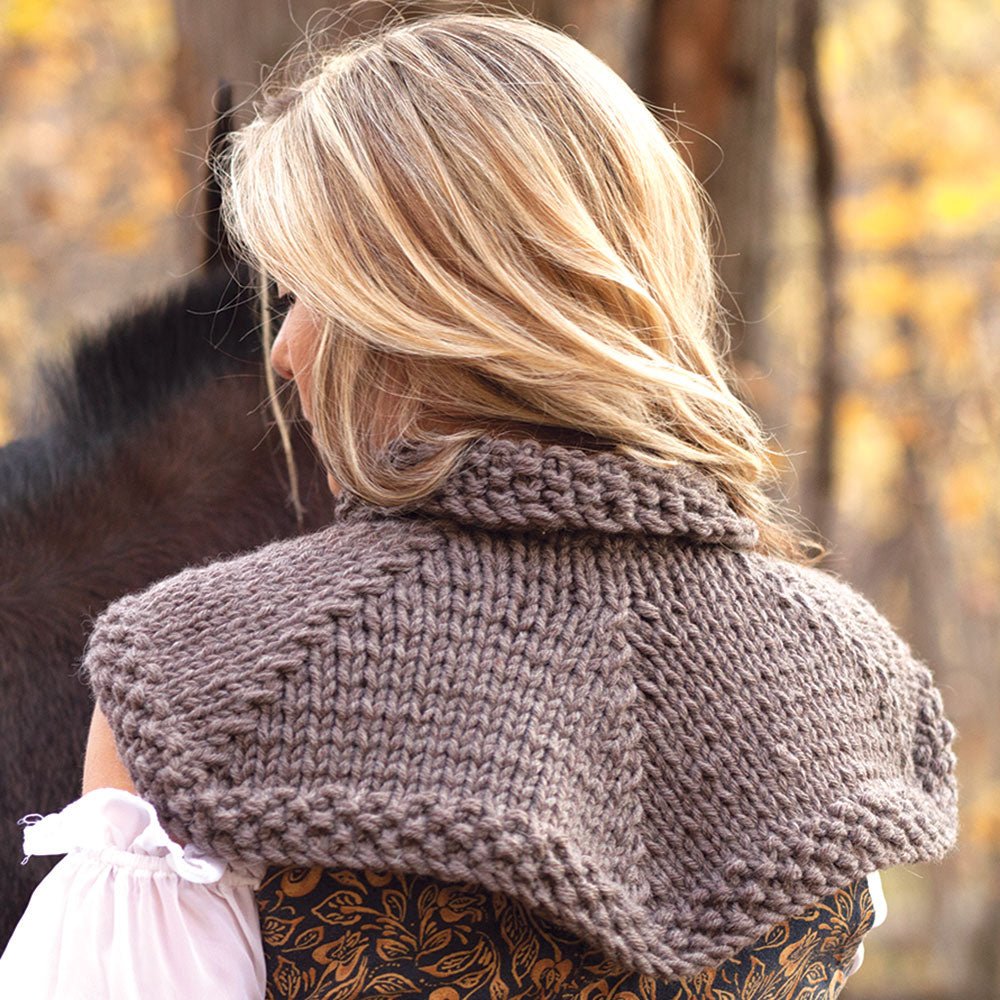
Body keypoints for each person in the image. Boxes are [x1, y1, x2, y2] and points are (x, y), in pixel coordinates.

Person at [0, 8, 956, 998]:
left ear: (423, 306)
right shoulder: (848, 673)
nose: (284, 352)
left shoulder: (199, 689)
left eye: (308, 294)